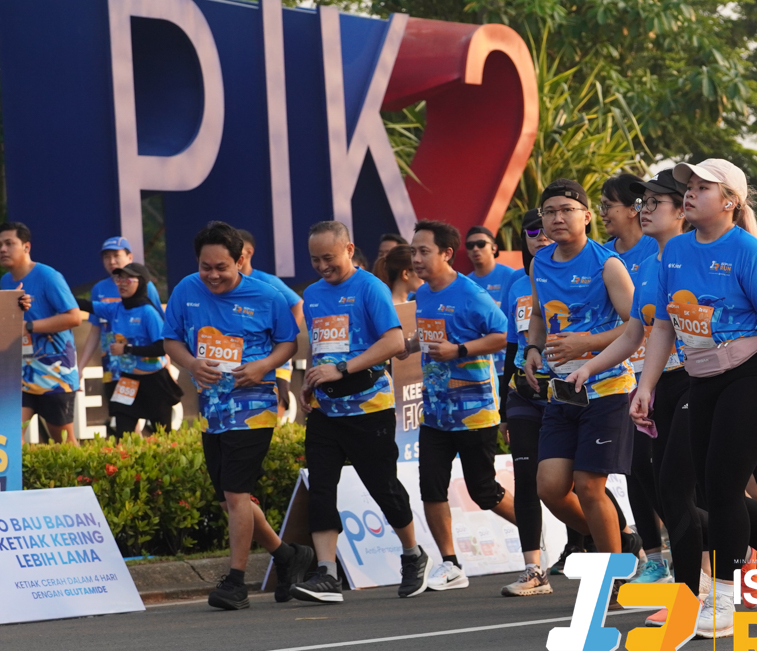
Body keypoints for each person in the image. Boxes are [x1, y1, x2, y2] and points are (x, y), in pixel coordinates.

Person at [632, 159, 757, 639]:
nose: (691, 193)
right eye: (689, 186)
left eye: (703, 187)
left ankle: (721, 602)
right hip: (701, 378)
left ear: (730, 202)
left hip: (753, 375)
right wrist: (646, 386)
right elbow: (663, 326)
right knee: (711, 490)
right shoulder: (675, 251)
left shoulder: (747, 251)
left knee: (721, 490)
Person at [162, 221, 311, 610]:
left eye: (221, 267)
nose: (212, 275)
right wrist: (192, 363)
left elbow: (288, 343)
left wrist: (264, 366)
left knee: (236, 492)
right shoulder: (185, 290)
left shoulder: (266, 295)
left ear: (239, 261)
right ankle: (287, 555)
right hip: (211, 407)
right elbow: (171, 339)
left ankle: (236, 582)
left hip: (253, 406)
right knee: (228, 499)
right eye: (205, 267)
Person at [289, 221, 429, 604]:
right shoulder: (312, 294)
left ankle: (413, 554)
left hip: (369, 407)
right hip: (325, 410)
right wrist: (310, 378)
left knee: (382, 486)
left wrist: (343, 368)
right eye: (315, 260)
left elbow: (394, 342)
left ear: (349, 250)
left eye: (329, 258)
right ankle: (327, 574)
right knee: (320, 488)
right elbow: (318, 343)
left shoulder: (370, 287)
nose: (322, 267)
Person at [523, 180, 641, 571]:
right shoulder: (540, 262)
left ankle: (613, 572)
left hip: (607, 389)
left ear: (586, 216)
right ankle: (620, 540)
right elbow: (538, 314)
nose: (557, 218)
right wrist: (533, 349)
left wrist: (585, 344)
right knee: (550, 488)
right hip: (561, 392)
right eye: (549, 212)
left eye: (566, 210)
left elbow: (635, 325)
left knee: (590, 487)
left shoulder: (607, 264)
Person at [407, 219, 514, 592]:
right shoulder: (421, 294)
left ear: (446, 253)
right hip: (435, 413)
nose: (416, 258)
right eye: (413, 251)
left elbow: (503, 334)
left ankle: (534, 536)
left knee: (483, 492)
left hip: (474, 412)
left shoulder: (470, 293)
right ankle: (451, 564)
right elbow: (428, 336)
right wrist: (407, 344)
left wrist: (460, 350)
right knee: (430, 487)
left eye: (424, 251)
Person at [599, 173, 667, 579]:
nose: (602, 213)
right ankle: (654, 558)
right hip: (624, 376)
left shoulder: (659, 248)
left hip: (669, 373)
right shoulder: (602, 256)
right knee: (638, 468)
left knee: (676, 473)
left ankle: (720, 553)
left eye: (608, 205)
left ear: (633, 208)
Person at [500, 209, 557, 596]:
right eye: (532, 231)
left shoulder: (578, 275)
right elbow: (511, 346)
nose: (540, 236)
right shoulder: (516, 283)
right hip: (523, 390)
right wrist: (504, 409)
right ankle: (533, 569)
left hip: (566, 390)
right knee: (525, 478)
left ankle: (616, 540)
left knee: (570, 481)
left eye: (546, 228)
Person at [0, 222, 82, 444]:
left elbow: (74, 317)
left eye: (9, 243)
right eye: (0, 245)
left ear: (26, 247)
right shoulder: (5, 281)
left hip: (55, 374)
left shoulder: (48, 276)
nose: (3, 249)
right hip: (19, 375)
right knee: (8, 438)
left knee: (64, 444)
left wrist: (28, 326)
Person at [92, 263, 181, 435]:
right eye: (120, 279)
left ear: (141, 283)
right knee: (123, 435)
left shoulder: (149, 312)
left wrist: (127, 349)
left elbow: (161, 348)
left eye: (128, 279)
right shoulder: (115, 308)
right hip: (127, 380)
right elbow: (84, 305)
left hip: (154, 381)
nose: (122, 283)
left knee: (163, 437)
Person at [77, 236, 162, 410]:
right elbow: (95, 329)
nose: (111, 261)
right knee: (122, 414)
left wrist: (165, 362)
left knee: (152, 412)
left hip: (146, 365)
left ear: (130, 257)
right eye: (106, 257)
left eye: (116, 255)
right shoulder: (99, 289)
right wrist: (80, 367)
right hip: (114, 365)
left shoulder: (146, 286)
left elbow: (161, 330)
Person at [237, 229, 303, 414]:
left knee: (277, 407)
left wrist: (284, 337)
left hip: (274, 360)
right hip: (241, 360)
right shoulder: (226, 284)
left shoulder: (266, 281)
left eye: (236, 248)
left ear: (249, 252)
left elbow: (298, 304)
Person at [464, 225, 517, 381]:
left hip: (509, 361)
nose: (475, 249)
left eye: (481, 244)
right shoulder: (465, 283)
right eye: (470, 245)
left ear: (494, 248)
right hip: (480, 366)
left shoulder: (511, 276)